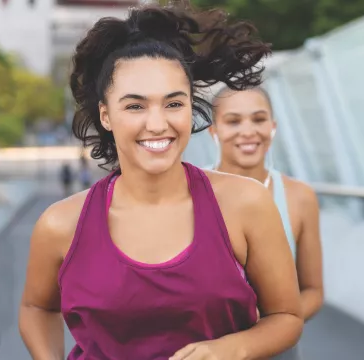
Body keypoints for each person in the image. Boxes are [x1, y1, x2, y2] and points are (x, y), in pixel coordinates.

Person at [19, 3, 303, 360]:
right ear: (106, 115)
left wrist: (233, 348)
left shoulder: (245, 205)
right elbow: (36, 308)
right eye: (135, 106)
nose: (157, 124)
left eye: (173, 104)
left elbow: (286, 317)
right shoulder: (60, 225)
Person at [209, 87, 324, 357]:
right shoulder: (189, 192)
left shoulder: (300, 197)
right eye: (233, 121)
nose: (248, 131)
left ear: (272, 127)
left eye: (258, 119)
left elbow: (313, 290)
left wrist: (268, 325)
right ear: (213, 131)